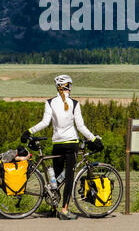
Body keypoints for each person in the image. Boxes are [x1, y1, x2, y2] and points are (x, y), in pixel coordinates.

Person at [21, 74, 103, 220]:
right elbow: (81, 127)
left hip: (57, 144)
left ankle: (54, 209)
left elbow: (45, 123)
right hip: (71, 144)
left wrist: (29, 131)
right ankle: (64, 210)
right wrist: (94, 138)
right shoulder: (75, 104)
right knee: (69, 178)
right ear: (68, 87)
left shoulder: (50, 102)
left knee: (56, 180)